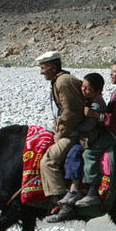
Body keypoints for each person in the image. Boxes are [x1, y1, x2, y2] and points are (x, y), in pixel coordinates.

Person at [75, 59, 116, 207]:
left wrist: (96, 115)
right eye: (111, 71)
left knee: (89, 153)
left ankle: (92, 191)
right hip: (114, 131)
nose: (110, 74)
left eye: (114, 71)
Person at [46, 73, 107, 222]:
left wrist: (71, 128)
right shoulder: (89, 101)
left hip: (89, 137)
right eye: (82, 87)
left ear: (97, 91)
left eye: (87, 88)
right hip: (85, 134)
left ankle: (75, 189)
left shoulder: (96, 105)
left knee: (74, 153)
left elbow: (89, 125)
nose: (83, 90)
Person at [36, 51, 85, 205]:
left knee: (48, 161)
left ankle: (59, 201)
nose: (41, 72)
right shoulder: (62, 80)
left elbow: (71, 112)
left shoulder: (63, 82)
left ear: (53, 67)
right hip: (71, 128)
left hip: (75, 132)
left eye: (44, 68)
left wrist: (60, 133)